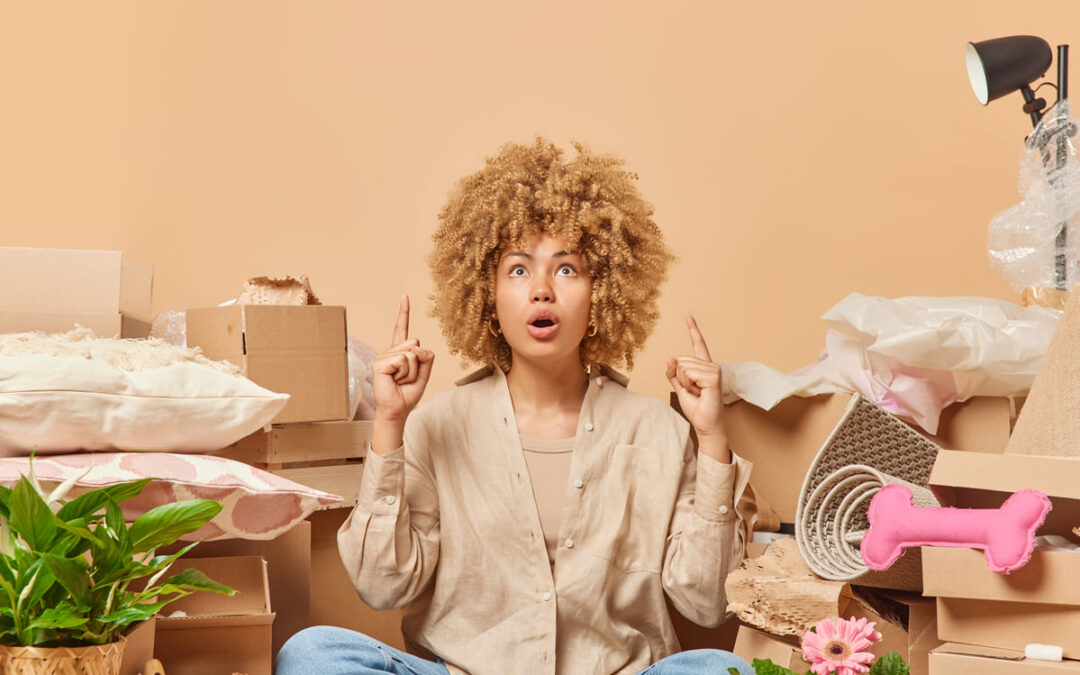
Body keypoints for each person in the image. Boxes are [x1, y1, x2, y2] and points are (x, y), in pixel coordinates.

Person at [276, 139, 755, 675]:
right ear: (487, 296)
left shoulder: (659, 431)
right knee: (312, 654)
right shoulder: (436, 425)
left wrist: (712, 440)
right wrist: (389, 424)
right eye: (519, 270)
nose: (543, 290)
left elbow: (708, 605)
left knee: (716, 667)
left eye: (568, 269)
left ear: (603, 292)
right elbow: (382, 587)